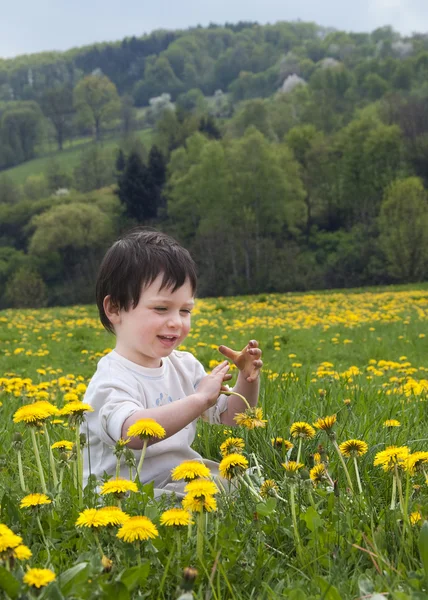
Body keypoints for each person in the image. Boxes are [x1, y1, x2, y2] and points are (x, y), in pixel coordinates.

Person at [82, 228, 263, 496]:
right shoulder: (110, 379)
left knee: (251, 484)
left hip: (182, 474)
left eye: (185, 310)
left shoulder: (184, 365)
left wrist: (247, 379)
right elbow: (133, 434)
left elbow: (232, 417)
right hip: (127, 492)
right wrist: (198, 400)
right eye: (161, 308)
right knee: (214, 497)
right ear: (115, 309)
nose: (176, 322)